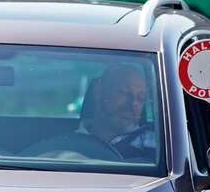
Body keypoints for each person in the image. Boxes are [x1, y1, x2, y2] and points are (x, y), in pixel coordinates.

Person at [23, 63, 155, 161]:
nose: (133, 103)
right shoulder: (60, 146)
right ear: (98, 92)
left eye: (140, 98)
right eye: (123, 93)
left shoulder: (161, 150)